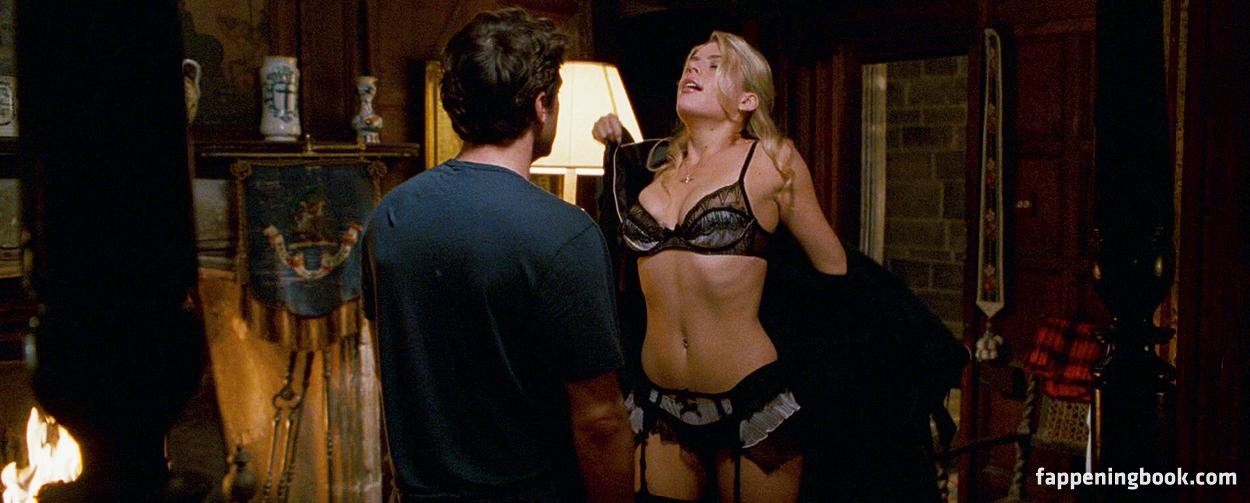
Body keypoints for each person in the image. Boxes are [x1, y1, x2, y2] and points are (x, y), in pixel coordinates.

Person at [362, 8, 633, 502]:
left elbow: (392, 371)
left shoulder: (390, 216)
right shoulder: (564, 234)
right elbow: (601, 420)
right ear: (541, 105)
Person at [592, 31, 848, 503]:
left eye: (715, 65)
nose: (694, 68)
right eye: (691, 61)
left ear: (748, 99)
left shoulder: (772, 159)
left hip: (751, 401)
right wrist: (615, 145)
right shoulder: (653, 168)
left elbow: (833, 270)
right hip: (659, 401)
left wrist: (812, 376)